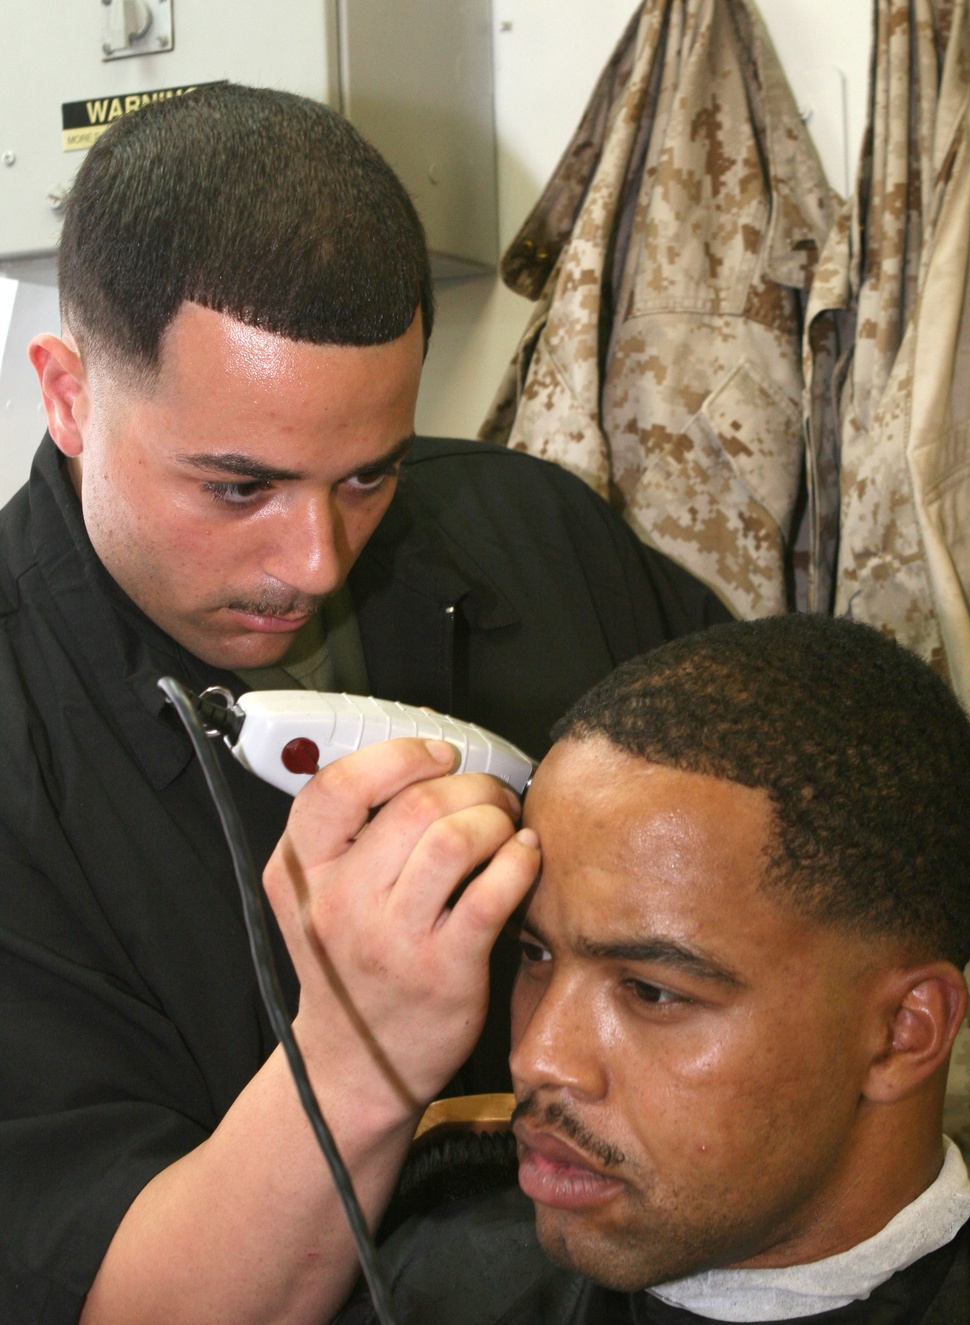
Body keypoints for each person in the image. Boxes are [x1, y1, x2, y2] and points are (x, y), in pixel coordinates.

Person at [0, 85, 727, 1323]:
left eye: (367, 475)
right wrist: (356, 1043)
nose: (316, 560)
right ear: (68, 394)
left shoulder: (539, 537)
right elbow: (130, 1301)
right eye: (239, 487)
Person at [327, 615, 970, 1324]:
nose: (536, 1057)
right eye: (535, 953)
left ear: (903, 1031)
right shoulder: (428, 1283)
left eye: (652, 991)